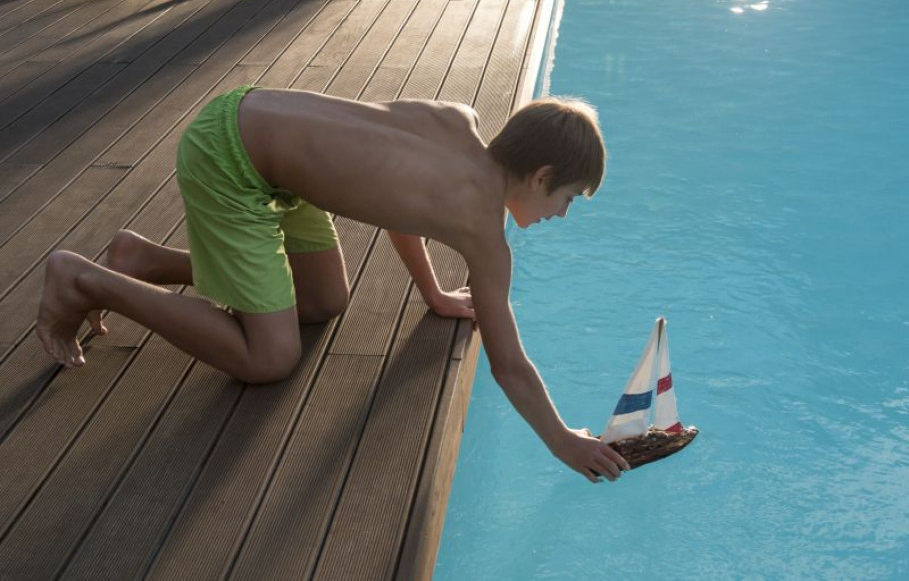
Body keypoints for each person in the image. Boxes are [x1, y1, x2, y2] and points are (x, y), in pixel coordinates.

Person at [36, 86, 629, 482]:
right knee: (269, 355)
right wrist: (561, 440)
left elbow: (403, 204)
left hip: (258, 130)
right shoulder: (482, 233)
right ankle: (85, 280)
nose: (562, 214)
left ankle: (139, 258)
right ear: (543, 175)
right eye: (568, 199)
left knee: (324, 301)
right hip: (228, 157)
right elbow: (510, 365)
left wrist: (435, 294)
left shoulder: (458, 124)